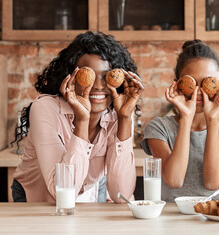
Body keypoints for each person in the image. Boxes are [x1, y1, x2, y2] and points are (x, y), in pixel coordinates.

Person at [10, 31, 144, 203]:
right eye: (89, 77)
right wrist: (82, 120)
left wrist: (125, 118)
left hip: (87, 193)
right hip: (38, 197)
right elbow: (62, 193)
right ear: (71, 78)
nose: (98, 86)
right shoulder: (45, 109)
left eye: (106, 77)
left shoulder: (116, 113)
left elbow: (122, 195)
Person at [141, 40, 219, 202]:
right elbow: (174, 180)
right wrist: (185, 119)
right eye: (191, 83)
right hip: (170, 216)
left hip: (214, 217)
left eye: (207, 83)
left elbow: (212, 183)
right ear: (177, 84)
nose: (198, 92)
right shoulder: (158, 128)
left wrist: (212, 120)